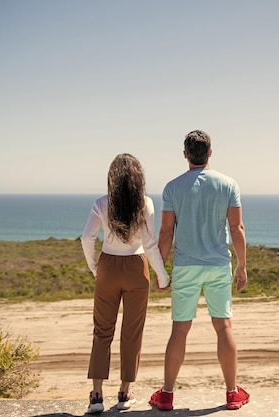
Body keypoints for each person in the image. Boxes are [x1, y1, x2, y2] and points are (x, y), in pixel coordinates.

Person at [149, 130, 250, 411]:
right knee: (223, 327)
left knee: (179, 330)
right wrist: (241, 266)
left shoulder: (172, 188)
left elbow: (166, 233)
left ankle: (167, 394)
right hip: (218, 265)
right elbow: (237, 228)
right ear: (210, 153)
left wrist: (160, 271)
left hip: (185, 266)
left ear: (185, 155)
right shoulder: (228, 184)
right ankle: (232, 393)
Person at [81, 153, 171, 414]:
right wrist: (163, 276)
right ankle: (124, 392)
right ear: (138, 178)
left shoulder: (101, 203)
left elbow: (87, 238)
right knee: (132, 334)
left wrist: (95, 267)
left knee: (102, 331)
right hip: (136, 268)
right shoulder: (146, 204)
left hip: (108, 266)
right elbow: (152, 245)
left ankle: (96, 395)